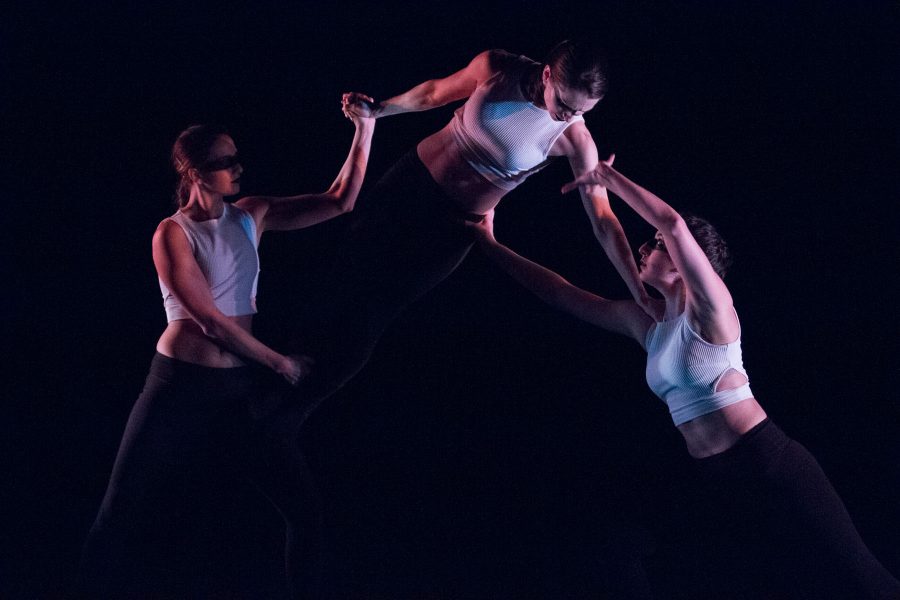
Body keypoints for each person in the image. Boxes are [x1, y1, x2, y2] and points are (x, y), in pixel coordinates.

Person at [466, 157, 900, 597]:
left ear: (681, 262)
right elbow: (561, 292)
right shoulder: (649, 325)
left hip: (768, 467)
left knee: (863, 583)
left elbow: (672, 223)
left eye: (653, 244)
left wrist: (608, 176)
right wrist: (491, 243)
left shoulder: (713, 312)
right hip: (714, 478)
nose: (643, 248)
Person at [262, 40, 650, 429]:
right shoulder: (498, 68)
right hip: (406, 186)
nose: (568, 115)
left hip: (452, 227)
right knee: (340, 277)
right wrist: (379, 110)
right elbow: (434, 92)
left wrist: (636, 288)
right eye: (565, 103)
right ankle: (273, 374)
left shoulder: (575, 139)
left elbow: (602, 219)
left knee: (373, 313)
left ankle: (292, 415)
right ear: (548, 74)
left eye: (581, 111)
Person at [76, 95, 375, 598]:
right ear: (194, 172)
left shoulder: (251, 215)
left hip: (239, 392)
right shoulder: (171, 233)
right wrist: (280, 363)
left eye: (237, 158)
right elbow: (210, 322)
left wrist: (365, 128)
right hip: (179, 387)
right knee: (120, 508)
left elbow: (341, 199)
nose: (238, 169)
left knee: (304, 512)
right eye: (225, 162)